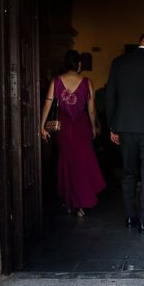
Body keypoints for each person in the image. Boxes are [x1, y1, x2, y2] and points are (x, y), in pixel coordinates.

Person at [106, 30, 144, 233]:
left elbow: (110, 95)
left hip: (125, 125)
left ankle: (131, 216)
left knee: (129, 173)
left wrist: (112, 126)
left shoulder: (119, 62)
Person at [40, 50, 105, 217]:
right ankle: (81, 204)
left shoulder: (56, 81)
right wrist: (93, 127)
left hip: (64, 127)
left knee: (67, 162)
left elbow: (47, 104)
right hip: (81, 126)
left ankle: (69, 201)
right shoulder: (86, 82)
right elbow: (91, 110)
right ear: (79, 65)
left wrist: (41, 126)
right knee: (82, 163)